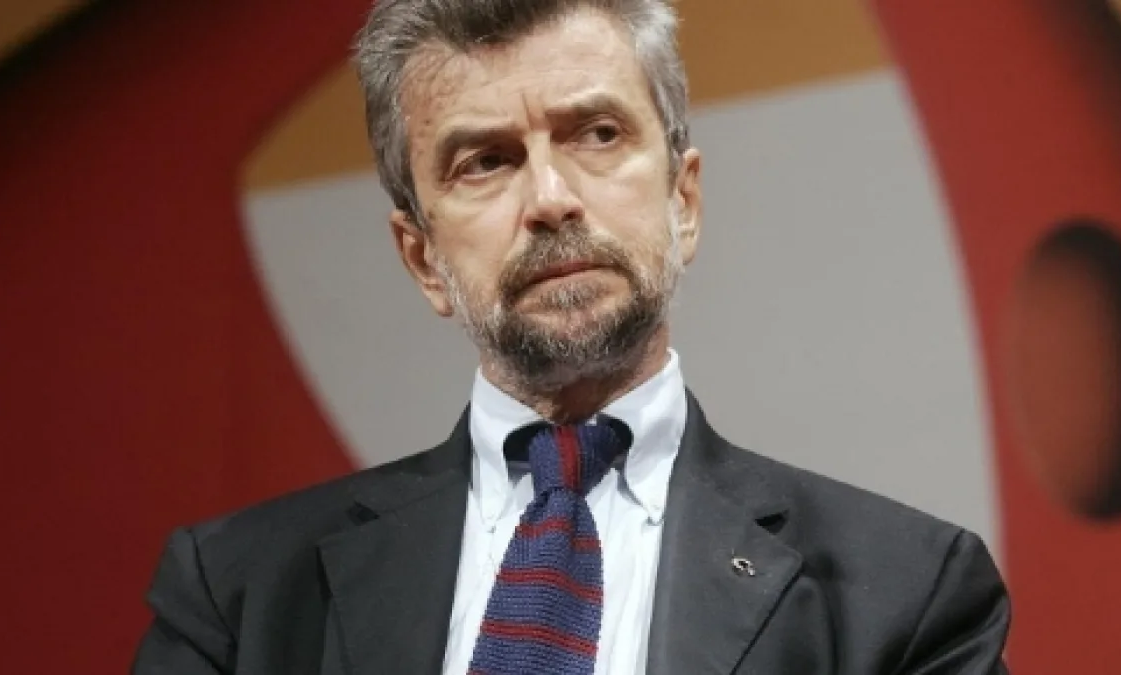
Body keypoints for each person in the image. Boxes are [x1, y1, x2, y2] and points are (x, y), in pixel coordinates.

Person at [132, 0, 1011, 672]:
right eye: (486, 161)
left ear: (683, 201)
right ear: (423, 258)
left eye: (597, 134)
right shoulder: (236, 596)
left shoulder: (909, 595)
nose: (551, 199)